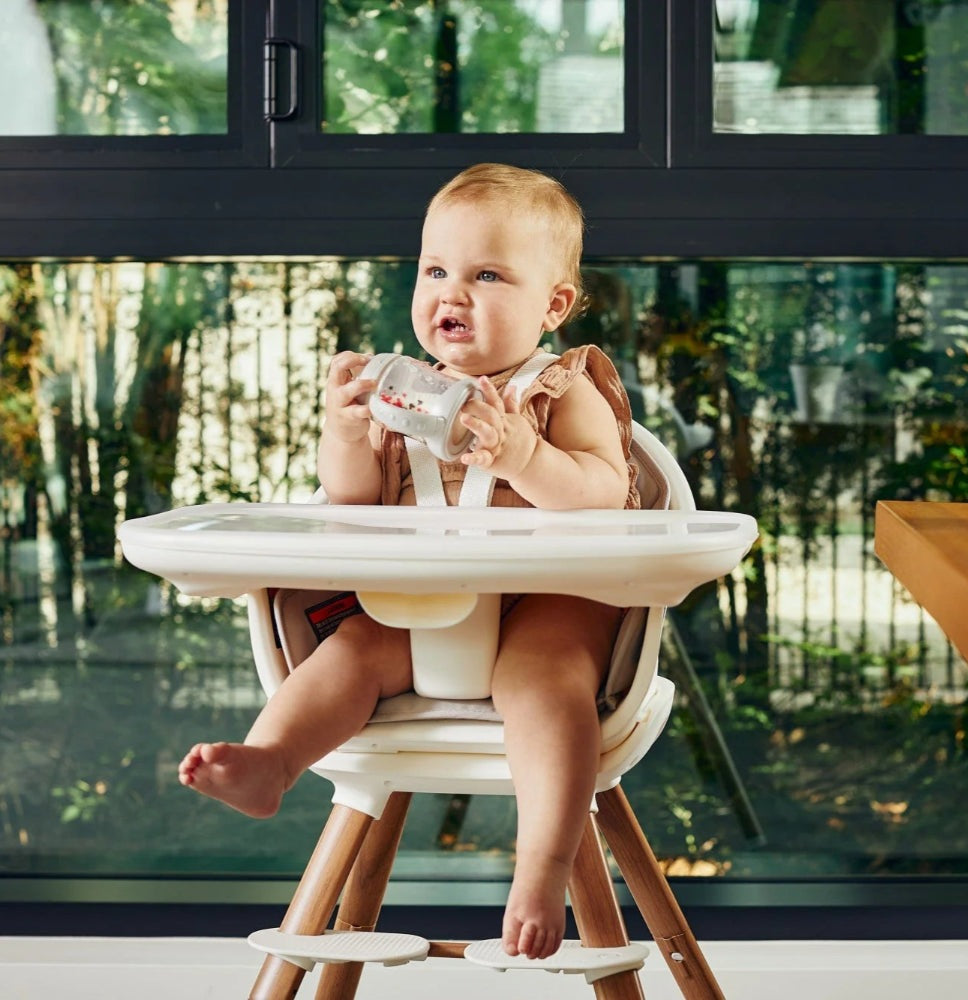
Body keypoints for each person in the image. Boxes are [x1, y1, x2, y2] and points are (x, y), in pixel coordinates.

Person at [178, 163, 640, 961]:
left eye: (487, 274)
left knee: (546, 680)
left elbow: (605, 490)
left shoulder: (560, 389)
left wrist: (526, 456)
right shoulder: (408, 394)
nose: (451, 293)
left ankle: (542, 863)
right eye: (435, 270)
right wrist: (348, 433)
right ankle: (271, 760)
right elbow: (351, 505)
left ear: (553, 305)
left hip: (549, 600)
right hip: (424, 607)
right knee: (350, 652)